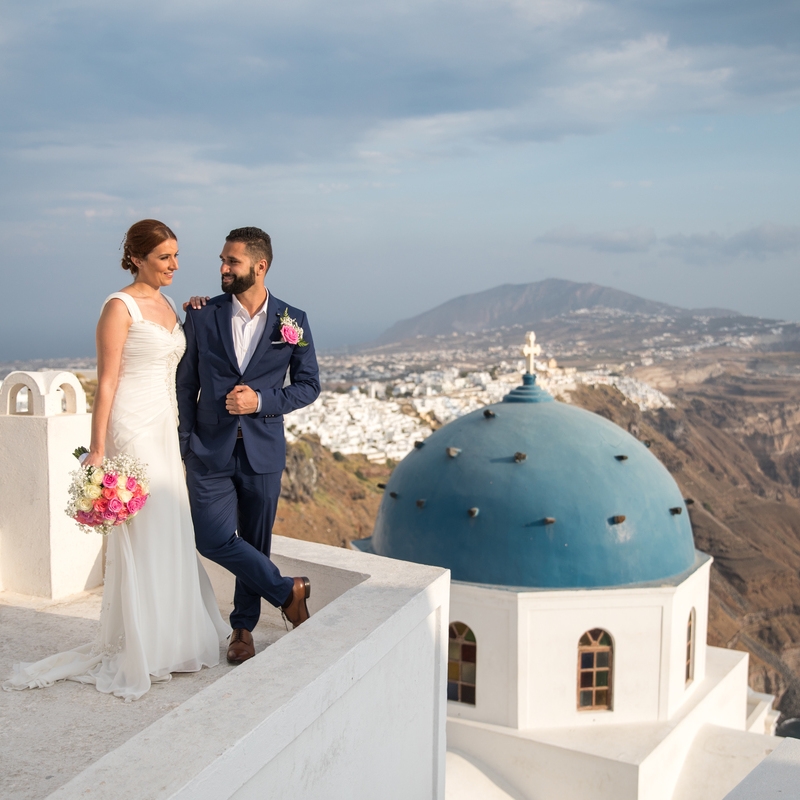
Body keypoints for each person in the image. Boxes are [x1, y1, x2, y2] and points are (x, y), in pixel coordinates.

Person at [3, 220, 228, 702]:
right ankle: (145, 645)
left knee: (171, 527)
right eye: (165, 257)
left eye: (176, 255)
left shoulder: (170, 305)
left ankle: (174, 639)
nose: (175, 265)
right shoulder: (117, 306)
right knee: (145, 531)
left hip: (166, 427)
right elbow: (105, 383)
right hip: (132, 428)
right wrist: (99, 450)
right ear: (138, 258)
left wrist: (191, 308)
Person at [177, 226, 319, 664]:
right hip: (208, 449)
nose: (222, 268)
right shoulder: (202, 314)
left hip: (263, 450)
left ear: (260, 266)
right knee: (212, 538)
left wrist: (261, 400)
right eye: (222, 260)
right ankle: (286, 590)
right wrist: (185, 444)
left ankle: (242, 629)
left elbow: (309, 385)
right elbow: (185, 385)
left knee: (256, 542)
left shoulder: (292, 321)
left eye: (231, 261)